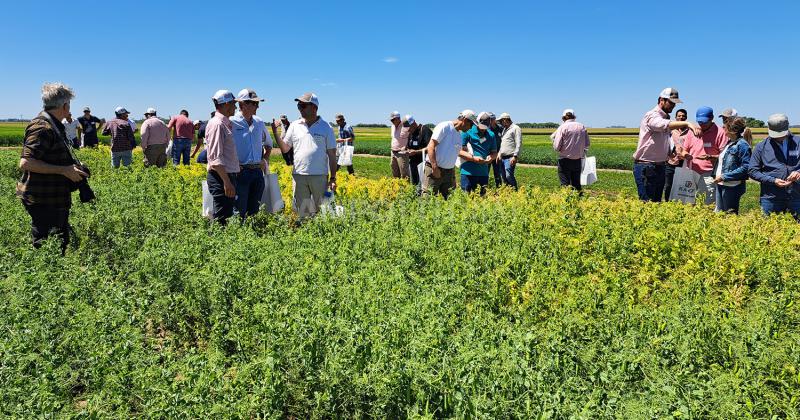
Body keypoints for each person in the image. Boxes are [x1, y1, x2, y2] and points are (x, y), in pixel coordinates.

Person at [17, 82, 89, 254]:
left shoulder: (54, 124)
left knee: (58, 242)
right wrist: (64, 170)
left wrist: (72, 168)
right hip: (43, 199)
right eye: (69, 105)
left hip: (52, 197)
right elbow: (26, 162)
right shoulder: (42, 127)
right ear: (64, 106)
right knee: (47, 247)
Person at [274, 93, 337, 219]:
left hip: (319, 176)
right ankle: (305, 233)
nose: (300, 108)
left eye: (303, 105)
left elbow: (332, 154)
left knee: (322, 212)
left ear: (314, 107)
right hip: (299, 175)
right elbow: (285, 148)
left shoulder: (326, 127)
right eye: (299, 106)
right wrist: (275, 133)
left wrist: (333, 178)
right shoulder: (294, 125)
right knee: (303, 212)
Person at [633, 88, 701, 202]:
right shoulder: (652, 115)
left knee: (656, 203)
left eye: (674, 103)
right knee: (647, 204)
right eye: (671, 102)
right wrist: (687, 123)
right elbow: (661, 125)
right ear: (661, 100)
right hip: (646, 166)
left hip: (660, 166)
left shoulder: (666, 117)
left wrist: (673, 149)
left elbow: (666, 138)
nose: (673, 106)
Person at [749, 114, 800, 219]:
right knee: (770, 230)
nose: (779, 137)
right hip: (771, 198)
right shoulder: (761, 147)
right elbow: (752, 171)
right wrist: (772, 180)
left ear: (788, 127)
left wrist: (798, 172)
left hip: (797, 196)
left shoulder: (798, 142)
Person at [231, 88, 272, 220]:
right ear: (242, 104)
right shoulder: (230, 122)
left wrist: (264, 160)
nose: (257, 106)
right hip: (240, 173)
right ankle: (239, 237)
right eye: (253, 103)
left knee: (254, 210)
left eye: (257, 103)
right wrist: (234, 164)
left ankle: (252, 236)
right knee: (239, 210)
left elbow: (269, 144)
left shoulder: (259, 122)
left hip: (257, 172)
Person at [424, 110, 482, 199]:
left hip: (449, 173)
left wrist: (474, 158)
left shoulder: (458, 135)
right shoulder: (445, 127)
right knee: (428, 198)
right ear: (465, 120)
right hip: (434, 170)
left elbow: (457, 152)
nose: (471, 128)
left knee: (449, 201)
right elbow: (430, 147)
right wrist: (434, 167)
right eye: (471, 124)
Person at [679, 106, 728, 206]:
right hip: (691, 171)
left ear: (712, 118)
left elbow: (725, 155)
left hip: (709, 173)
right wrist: (686, 155)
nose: (702, 125)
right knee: (688, 201)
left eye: (704, 122)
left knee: (708, 201)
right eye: (700, 122)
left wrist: (710, 157)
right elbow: (684, 150)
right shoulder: (692, 131)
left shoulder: (720, 133)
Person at [205, 90, 240, 225]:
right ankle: (216, 243)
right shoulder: (217, 124)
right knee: (221, 218)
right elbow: (215, 158)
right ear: (226, 104)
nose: (235, 107)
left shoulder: (224, 123)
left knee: (226, 215)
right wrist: (227, 182)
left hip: (225, 175)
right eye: (233, 104)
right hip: (220, 177)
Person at [713, 117, 751, 214]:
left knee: (729, 215)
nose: (722, 128)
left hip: (731, 186)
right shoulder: (729, 143)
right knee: (719, 214)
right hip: (721, 183)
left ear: (732, 130)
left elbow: (746, 167)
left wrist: (724, 176)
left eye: (724, 127)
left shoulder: (742, 145)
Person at [551, 109, 590, 193]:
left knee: (565, 184)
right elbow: (587, 144)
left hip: (565, 160)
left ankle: (567, 202)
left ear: (563, 118)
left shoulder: (562, 127)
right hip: (578, 160)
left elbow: (556, 147)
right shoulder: (581, 126)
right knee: (576, 184)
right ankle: (578, 202)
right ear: (574, 116)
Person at [459, 112, 497, 196]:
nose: (483, 129)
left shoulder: (491, 135)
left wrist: (491, 157)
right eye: (482, 127)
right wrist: (473, 158)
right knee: (466, 199)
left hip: (483, 173)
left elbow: (494, 153)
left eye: (485, 128)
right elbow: (460, 151)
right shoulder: (467, 131)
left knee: (481, 199)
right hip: (468, 172)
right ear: (477, 123)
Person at [664, 109, 689, 200]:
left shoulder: (690, 131)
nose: (681, 117)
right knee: (668, 185)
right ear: (675, 118)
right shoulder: (670, 130)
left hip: (684, 163)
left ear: (686, 117)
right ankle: (667, 202)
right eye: (679, 116)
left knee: (682, 185)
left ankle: (680, 203)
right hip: (671, 161)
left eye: (683, 116)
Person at [405, 115, 432, 189]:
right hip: (413, 162)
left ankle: (421, 198)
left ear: (413, 123)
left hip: (423, 162)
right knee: (414, 182)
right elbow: (409, 146)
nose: (408, 130)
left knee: (422, 184)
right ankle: (415, 197)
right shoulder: (411, 133)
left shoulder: (425, 130)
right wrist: (406, 150)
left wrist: (416, 152)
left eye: (409, 128)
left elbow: (430, 147)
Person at [497, 113, 522, 189]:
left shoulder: (516, 128)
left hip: (510, 157)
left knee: (509, 176)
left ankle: (515, 191)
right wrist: (499, 154)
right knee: (504, 177)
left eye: (501, 121)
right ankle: (508, 193)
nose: (500, 123)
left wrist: (515, 156)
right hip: (503, 157)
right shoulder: (504, 130)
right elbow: (503, 144)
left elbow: (518, 143)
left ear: (505, 120)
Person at [389, 111, 410, 179]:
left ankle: (406, 188)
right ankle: (397, 187)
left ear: (398, 118)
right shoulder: (392, 126)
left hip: (402, 153)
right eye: (391, 120)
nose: (392, 121)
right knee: (394, 172)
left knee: (404, 173)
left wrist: (406, 147)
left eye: (393, 119)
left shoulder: (405, 126)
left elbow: (410, 137)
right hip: (393, 152)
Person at [487, 113, 504, 187]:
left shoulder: (500, 128)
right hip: (488, 154)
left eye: (492, 119)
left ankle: (499, 187)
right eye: (489, 119)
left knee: (497, 172)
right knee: (485, 172)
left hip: (497, 154)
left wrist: (500, 153)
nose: (490, 121)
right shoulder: (487, 129)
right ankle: (484, 187)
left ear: (494, 119)